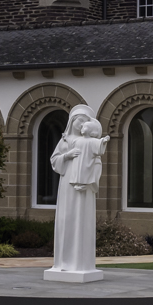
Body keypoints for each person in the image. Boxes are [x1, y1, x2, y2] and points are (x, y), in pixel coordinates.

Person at [46, 106, 108, 280]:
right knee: (66, 219)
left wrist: (90, 181)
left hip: (84, 186)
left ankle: (81, 263)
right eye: (78, 120)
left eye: (84, 121)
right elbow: (54, 160)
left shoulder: (90, 142)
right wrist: (67, 156)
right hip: (67, 184)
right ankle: (63, 263)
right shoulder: (65, 141)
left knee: (82, 219)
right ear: (72, 121)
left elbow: (97, 162)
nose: (80, 124)